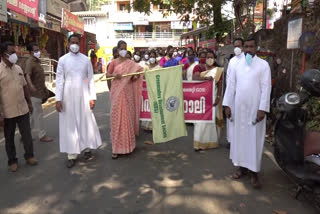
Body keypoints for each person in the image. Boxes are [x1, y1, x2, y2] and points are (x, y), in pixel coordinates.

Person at [222, 37, 271, 188]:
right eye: (246, 47)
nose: (248, 49)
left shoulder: (263, 65)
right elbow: (230, 87)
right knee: (240, 140)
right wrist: (227, 105)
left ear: (256, 48)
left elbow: (266, 88)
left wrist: (262, 108)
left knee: (254, 140)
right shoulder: (236, 64)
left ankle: (254, 172)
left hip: (255, 111)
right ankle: (241, 168)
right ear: (243, 49)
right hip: (239, 109)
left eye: (251, 46)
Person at [55, 34, 102, 168]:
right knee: (70, 125)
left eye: (77, 42)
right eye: (72, 42)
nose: (74, 45)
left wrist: (92, 97)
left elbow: (91, 79)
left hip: (83, 95)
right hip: (67, 96)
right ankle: (71, 155)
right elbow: (59, 80)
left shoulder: (86, 60)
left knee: (85, 122)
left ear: (79, 44)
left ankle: (87, 149)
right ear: (68, 44)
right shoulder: (62, 60)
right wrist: (58, 99)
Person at [0, 41, 38, 172]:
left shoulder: (18, 69)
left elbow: (24, 86)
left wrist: (29, 102)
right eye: (12, 52)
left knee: (27, 134)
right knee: (9, 137)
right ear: (4, 54)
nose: (14, 55)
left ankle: (30, 156)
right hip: (7, 111)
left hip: (22, 108)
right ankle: (12, 161)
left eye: (14, 52)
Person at [107, 40, 143, 159]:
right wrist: (114, 76)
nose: (124, 50)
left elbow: (135, 77)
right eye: (122, 48)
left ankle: (128, 146)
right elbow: (107, 75)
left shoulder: (131, 63)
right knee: (116, 119)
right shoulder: (113, 63)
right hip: (116, 93)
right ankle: (116, 148)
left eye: (125, 48)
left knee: (127, 117)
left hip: (128, 93)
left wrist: (135, 76)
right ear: (118, 50)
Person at [192, 50, 224, 151]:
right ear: (204, 58)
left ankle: (211, 143)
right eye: (207, 57)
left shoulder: (218, 70)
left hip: (213, 97)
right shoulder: (199, 67)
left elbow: (219, 85)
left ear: (214, 59)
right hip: (201, 98)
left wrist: (218, 97)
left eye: (211, 57)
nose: (209, 59)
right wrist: (206, 78)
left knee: (210, 121)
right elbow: (195, 78)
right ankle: (198, 143)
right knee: (200, 121)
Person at [24, 42, 54, 143]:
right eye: (35, 50)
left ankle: (26, 135)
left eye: (38, 50)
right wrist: (31, 86)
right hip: (34, 93)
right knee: (39, 114)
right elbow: (27, 75)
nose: (38, 52)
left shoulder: (37, 61)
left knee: (33, 115)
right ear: (30, 52)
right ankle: (42, 135)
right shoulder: (30, 62)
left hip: (39, 91)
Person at [225, 38, 245, 147]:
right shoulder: (232, 61)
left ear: (243, 47)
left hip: (242, 93)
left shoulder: (247, 59)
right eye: (235, 46)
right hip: (231, 94)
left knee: (241, 118)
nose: (237, 48)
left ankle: (240, 141)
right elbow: (228, 78)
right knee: (231, 117)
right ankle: (231, 140)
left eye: (239, 45)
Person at [141, 50, 160, 131]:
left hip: (156, 90)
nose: (152, 58)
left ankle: (156, 126)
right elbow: (142, 78)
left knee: (156, 107)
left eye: (153, 57)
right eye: (151, 56)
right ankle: (147, 126)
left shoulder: (159, 67)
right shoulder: (145, 67)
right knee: (148, 106)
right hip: (147, 90)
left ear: (156, 58)